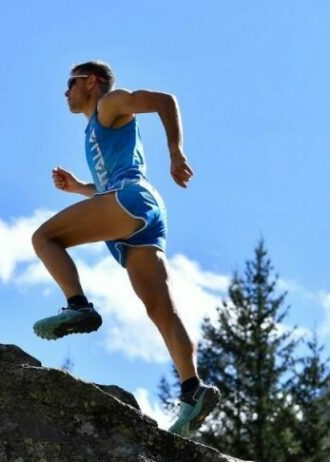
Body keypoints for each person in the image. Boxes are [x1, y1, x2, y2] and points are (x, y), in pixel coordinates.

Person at [31, 60, 220, 437]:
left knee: (44, 239)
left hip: (129, 198)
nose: (65, 92)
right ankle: (192, 389)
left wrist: (176, 152)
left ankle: (78, 306)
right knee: (160, 309)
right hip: (140, 209)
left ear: (91, 81)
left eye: (70, 83)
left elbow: (165, 100)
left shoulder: (109, 103)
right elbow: (107, 186)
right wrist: (79, 188)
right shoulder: (96, 127)